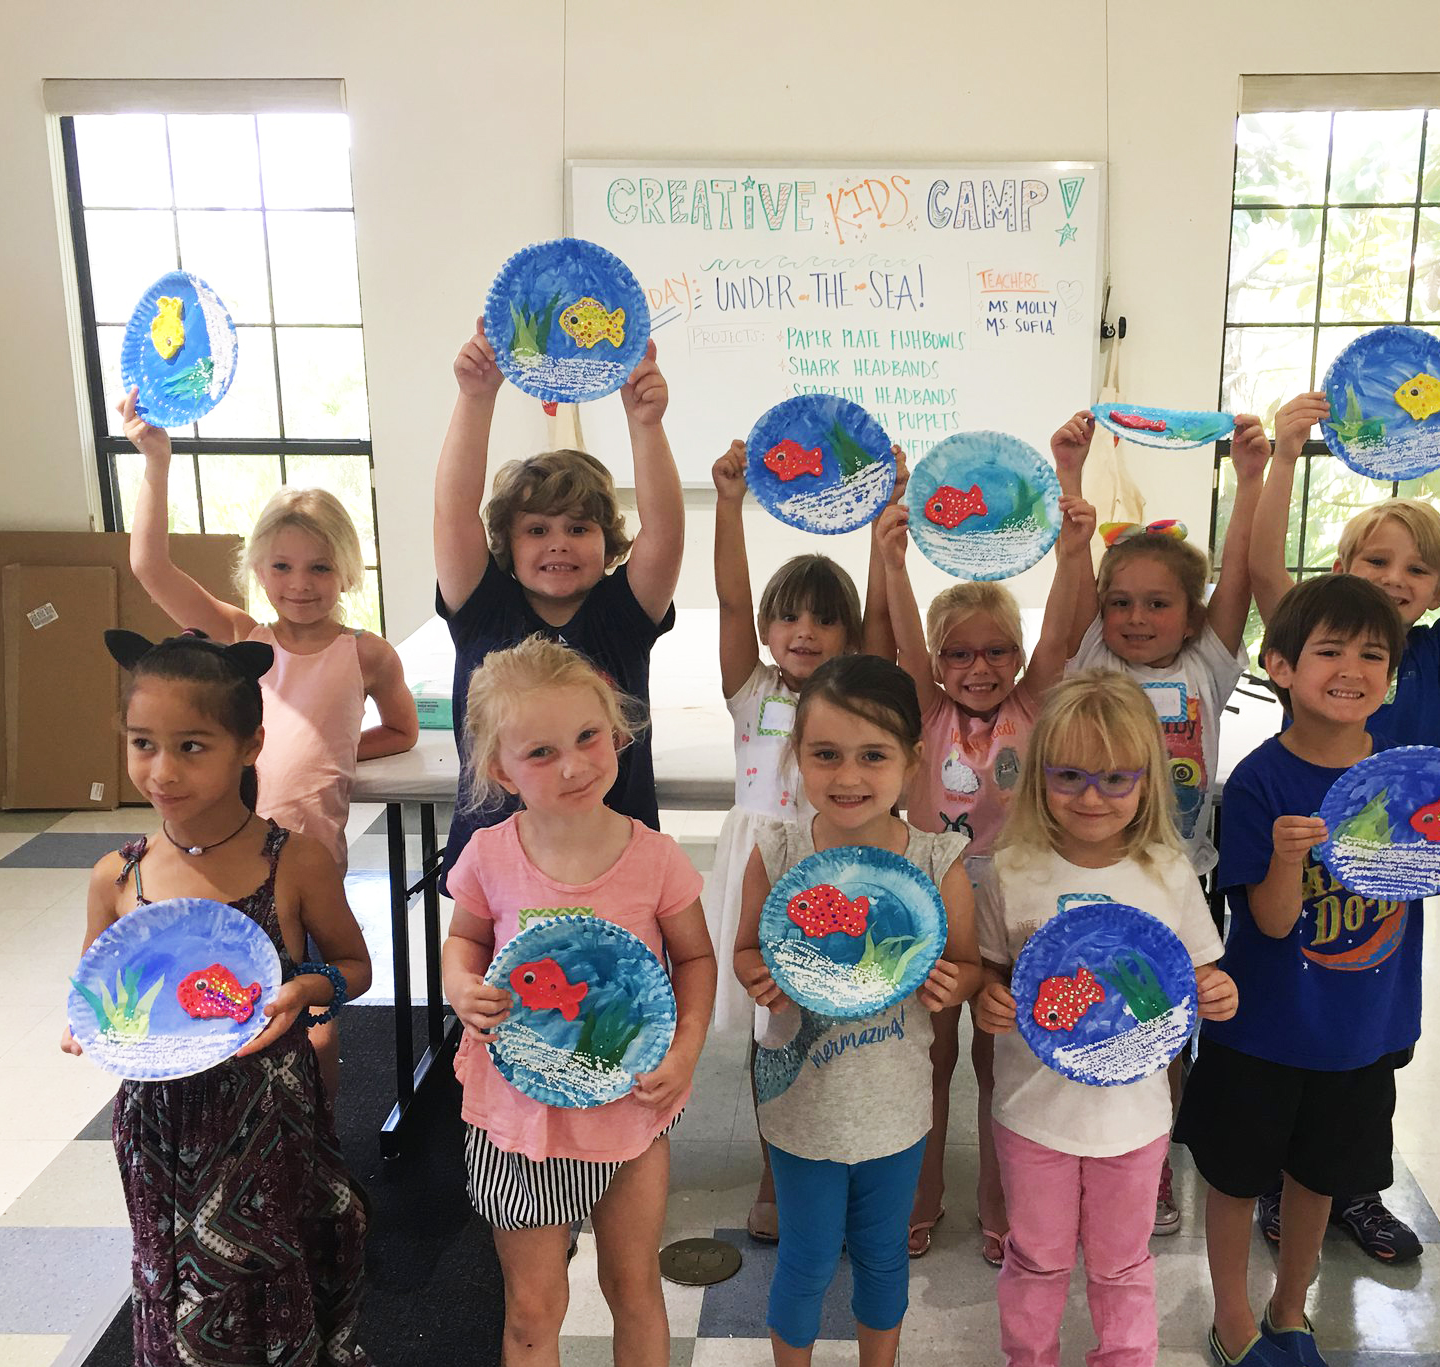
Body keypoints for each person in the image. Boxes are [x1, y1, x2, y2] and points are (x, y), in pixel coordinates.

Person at [64, 630, 405, 1367]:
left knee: (272, 1280)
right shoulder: (116, 876)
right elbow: (98, 987)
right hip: (163, 1129)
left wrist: (307, 989)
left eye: (191, 746)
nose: (162, 770)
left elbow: (354, 967)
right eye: (142, 743)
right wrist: (85, 1024)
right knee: (179, 1293)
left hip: (267, 1120)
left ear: (250, 746)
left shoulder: (291, 860)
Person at [1179, 576, 1440, 1367]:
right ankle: (1232, 1318)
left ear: (1394, 672)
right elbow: (1271, 922)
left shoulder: (1411, 777)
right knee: (1236, 1180)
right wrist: (1286, 858)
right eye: (1329, 652)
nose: (1352, 670)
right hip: (1261, 1032)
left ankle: (1288, 1308)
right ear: (1279, 667)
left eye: (1373, 655)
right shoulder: (1259, 782)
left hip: (1363, 1031)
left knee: (1320, 1178)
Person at [1244, 392, 1440, 1262]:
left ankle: (1353, 1185)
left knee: (1373, 1025)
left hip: (1401, 866)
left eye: (1418, 570)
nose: (1394, 579)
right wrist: (1286, 457)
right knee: (1295, 1005)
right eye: (1376, 560)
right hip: (1305, 855)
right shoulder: (1317, 634)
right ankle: (1279, 1179)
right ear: (1341, 566)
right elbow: (1262, 568)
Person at [441, 634, 713, 1367]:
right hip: (517, 1122)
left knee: (636, 1289)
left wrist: (686, 1048)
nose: (573, 765)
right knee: (533, 1308)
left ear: (619, 734)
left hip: (630, 1120)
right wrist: (459, 986)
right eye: (541, 751)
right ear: (500, 768)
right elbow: (464, 941)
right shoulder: (489, 855)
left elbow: (695, 958)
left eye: (589, 738)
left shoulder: (654, 857)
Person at [971, 671, 1239, 1367]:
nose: (1093, 797)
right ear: (1039, 776)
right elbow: (992, 973)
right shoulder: (1011, 870)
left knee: (1122, 1262)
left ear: (1148, 781)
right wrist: (988, 999)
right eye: (1070, 776)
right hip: (1033, 1112)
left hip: (1133, 1118)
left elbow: (1199, 973)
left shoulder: (1167, 872)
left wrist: (1218, 992)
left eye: (1117, 778)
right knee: (1037, 1255)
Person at [121, 389, 417, 1104]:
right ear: (258, 570)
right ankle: (220, 1112)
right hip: (226, 855)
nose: (300, 585)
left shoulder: (366, 653)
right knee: (222, 995)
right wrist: (156, 462)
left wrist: (331, 753)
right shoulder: (240, 637)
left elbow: (403, 731)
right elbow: (151, 568)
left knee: (312, 1019)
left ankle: (315, 1131)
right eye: (282, 567)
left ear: (346, 571)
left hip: (310, 863)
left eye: (319, 568)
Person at [733, 654, 979, 1367]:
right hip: (802, 1105)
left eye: (873, 755)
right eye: (826, 754)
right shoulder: (779, 850)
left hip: (897, 1105)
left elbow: (967, 964)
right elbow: (745, 950)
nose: (848, 776)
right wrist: (757, 974)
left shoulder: (938, 860)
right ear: (796, 756)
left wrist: (955, 982)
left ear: (913, 760)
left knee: (881, 1257)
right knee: (805, 1259)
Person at [1053, 408, 1270, 1237]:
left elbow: (1240, 575)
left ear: (1191, 613)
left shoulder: (1206, 665)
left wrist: (1250, 478)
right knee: (1090, 1006)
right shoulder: (1093, 658)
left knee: (1166, 1027)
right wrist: (1070, 475)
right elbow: (1075, 568)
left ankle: (1151, 1169)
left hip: (1180, 883)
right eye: (1120, 603)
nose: (1136, 618)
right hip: (1092, 873)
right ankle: (1074, 1148)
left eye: (1156, 603)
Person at [871, 492, 1095, 1263]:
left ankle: (1001, 1200)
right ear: (937, 664)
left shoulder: (1034, 704)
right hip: (934, 903)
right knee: (929, 1056)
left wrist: (1072, 553)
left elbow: (1061, 631)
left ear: (1019, 657)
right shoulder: (926, 713)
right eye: (959, 655)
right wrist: (893, 563)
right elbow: (905, 641)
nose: (979, 668)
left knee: (1002, 1060)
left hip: (1016, 907)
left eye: (997, 651)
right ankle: (921, 1192)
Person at [709, 437, 894, 1242]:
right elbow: (728, 604)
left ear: (849, 633)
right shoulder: (752, 689)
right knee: (772, 1031)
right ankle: (776, 1171)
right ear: (766, 627)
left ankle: (845, 1163)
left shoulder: (858, 697)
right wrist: (728, 505)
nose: (805, 630)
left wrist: (885, 515)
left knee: (842, 1031)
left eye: (824, 617)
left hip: (835, 872)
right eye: (787, 615)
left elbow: (883, 620)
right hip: (761, 872)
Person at [433, 318, 683, 890]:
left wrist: (645, 424)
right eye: (537, 530)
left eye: (579, 528)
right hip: (497, 868)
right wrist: (476, 398)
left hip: (618, 862)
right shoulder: (482, 607)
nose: (559, 544)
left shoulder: (623, 615)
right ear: (507, 541)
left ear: (607, 541)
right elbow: (453, 511)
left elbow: (665, 532)